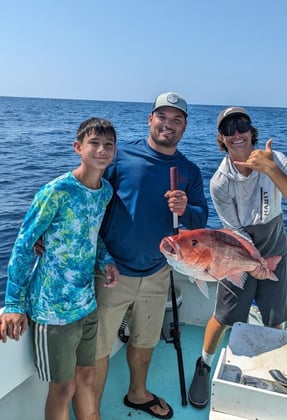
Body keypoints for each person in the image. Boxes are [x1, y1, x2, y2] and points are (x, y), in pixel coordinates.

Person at [94, 92, 208, 419]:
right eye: (162, 117)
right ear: (150, 119)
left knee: (145, 340)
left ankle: (137, 393)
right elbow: (87, 194)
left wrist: (186, 209)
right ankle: (92, 411)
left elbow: (201, 219)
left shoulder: (189, 170)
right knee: (98, 348)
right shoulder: (121, 156)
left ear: (185, 126)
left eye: (176, 120)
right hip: (112, 271)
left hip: (159, 271)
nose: (168, 125)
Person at [188, 106, 287, 409]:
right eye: (228, 130)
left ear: (251, 130)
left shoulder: (276, 160)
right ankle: (204, 364)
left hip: (276, 247)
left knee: (275, 318)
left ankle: (272, 370)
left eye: (241, 125)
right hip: (237, 251)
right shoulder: (220, 181)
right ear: (221, 139)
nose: (236, 134)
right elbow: (234, 231)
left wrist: (271, 170)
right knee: (224, 318)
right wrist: (253, 264)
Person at [0, 117, 120, 420]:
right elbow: (24, 244)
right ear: (78, 147)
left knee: (87, 379)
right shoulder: (56, 191)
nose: (101, 150)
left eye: (108, 145)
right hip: (52, 311)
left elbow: (91, 237)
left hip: (86, 304)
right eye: (94, 143)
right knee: (63, 389)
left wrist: (106, 261)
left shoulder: (105, 191)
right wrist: (13, 303)